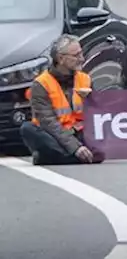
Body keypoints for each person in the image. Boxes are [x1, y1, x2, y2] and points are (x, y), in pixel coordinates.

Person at [21, 35, 104, 166]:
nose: (81, 59)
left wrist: (90, 100)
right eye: (76, 56)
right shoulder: (41, 84)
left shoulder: (85, 79)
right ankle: (76, 157)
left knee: (100, 148)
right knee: (27, 129)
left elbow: (99, 115)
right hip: (55, 135)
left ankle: (56, 157)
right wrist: (76, 148)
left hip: (80, 134)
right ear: (61, 58)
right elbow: (49, 123)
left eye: (81, 54)